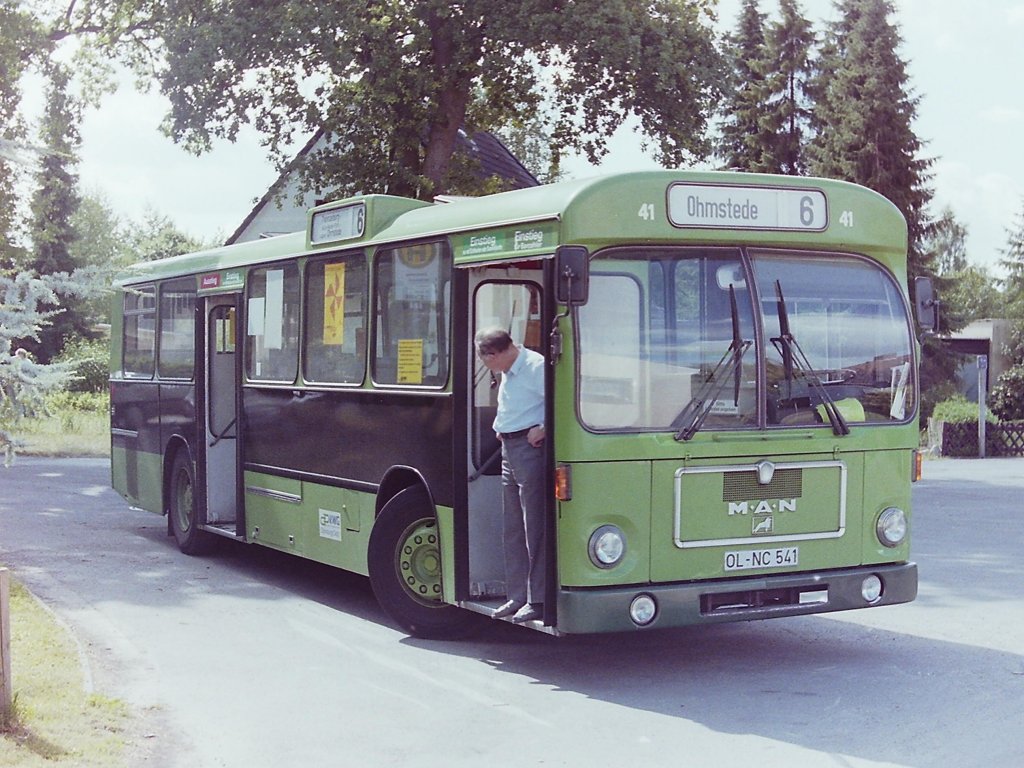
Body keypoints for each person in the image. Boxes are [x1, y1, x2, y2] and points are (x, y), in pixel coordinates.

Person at [474, 327, 546, 624]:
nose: (486, 366)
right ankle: (517, 596)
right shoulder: (508, 368)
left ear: (497, 353)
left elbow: (563, 401)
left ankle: (537, 598)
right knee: (513, 526)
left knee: (533, 527)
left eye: (486, 359)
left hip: (530, 449)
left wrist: (545, 426)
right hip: (509, 447)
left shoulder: (536, 367)